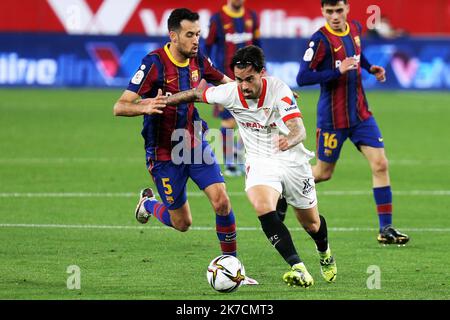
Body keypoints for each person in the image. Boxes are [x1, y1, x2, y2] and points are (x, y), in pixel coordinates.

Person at [167, 45, 337, 288]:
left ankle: (325, 252)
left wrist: (289, 139)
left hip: (292, 159)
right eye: (239, 80)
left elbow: (300, 129)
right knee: (262, 206)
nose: (244, 86)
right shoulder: (230, 93)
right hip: (259, 160)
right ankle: (298, 267)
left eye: (249, 79)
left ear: (262, 73)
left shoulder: (279, 90)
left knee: (312, 224)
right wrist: (163, 101)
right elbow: (195, 94)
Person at [113, 8, 257, 284]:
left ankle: (235, 268)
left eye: (198, 35)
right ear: (173, 35)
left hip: (193, 142)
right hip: (163, 152)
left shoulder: (199, 59)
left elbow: (229, 84)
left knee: (222, 201)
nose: (195, 41)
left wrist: (267, 92)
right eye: (190, 35)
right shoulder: (154, 63)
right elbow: (119, 106)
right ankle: (148, 203)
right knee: (182, 223)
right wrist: (146, 104)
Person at [296, 0, 409, 245]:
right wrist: (338, 72)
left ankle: (385, 228)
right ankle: (287, 189)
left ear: (347, 9)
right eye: (329, 12)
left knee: (380, 164)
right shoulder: (320, 40)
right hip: (333, 119)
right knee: (324, 173)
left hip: (361, 115)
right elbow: (302, 77)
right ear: (323, 12)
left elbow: (358, 55)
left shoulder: (355, 28)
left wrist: (370, 68)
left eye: (339, 10)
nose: (335, 16)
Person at [205, 0, 261, 176]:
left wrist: (261, 71)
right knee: (229, 122)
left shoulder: (252, 16)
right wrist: (212, 75)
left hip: (251, 80)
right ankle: (230, 163)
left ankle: (238, 152)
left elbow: (258, 45)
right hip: (227, 80)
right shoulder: (217, 19)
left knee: (258, 118)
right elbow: (206, 48)